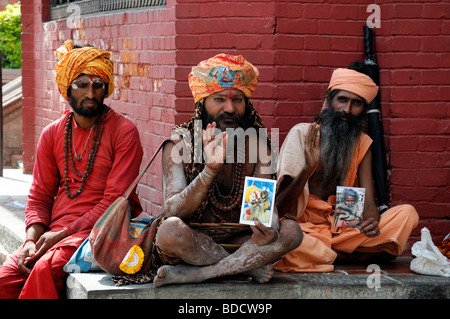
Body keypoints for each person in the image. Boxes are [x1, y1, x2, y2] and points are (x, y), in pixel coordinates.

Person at [0, 40, 143, 298]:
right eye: (82, 84)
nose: (91, 93)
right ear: (67, 87)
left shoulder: (124, 132)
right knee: (5, 278)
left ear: (106, 88)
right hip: (54, 232)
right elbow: (40, 197)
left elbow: (114, 205)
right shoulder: (52, 133)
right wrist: (31, 239)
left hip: (102, 231)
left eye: (98, 85)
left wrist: (62, 233)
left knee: (43, 268)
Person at [153, 54, 302, 287]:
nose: (230, 108)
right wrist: (210, 169)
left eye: (238, 100)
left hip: (243, 241)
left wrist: (269, 226)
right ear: (202, 103)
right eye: (219, 99)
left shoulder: (258, 146)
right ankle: (242, 268)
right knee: (169, 231)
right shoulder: (179, 145)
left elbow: (262, 210)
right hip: (192, 243)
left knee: (291, 230)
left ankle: (203, 274)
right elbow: (174, 210)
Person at [274, 63, 419, 272]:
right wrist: (307, 168)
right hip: (303, 229)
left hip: (343, 228)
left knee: (407, 214)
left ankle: (327, 255)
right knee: (286, 238)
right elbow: (280, 206)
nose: (347, 110)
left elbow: (369, 203)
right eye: (342, 100)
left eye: (356, 103)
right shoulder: (302, 134)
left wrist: (372, 220)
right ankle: (347, 256)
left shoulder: (362, 143)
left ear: (363, 109)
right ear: (329, 99)